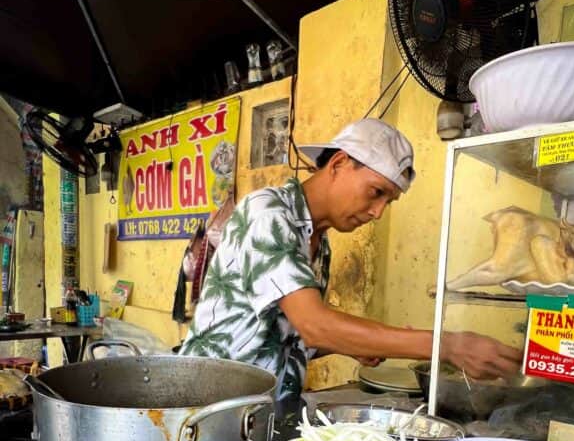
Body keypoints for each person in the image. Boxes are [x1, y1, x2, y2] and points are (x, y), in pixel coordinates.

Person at [180, 118, 521, 399]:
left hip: (261, 415)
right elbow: (315, 326)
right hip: (209, 411)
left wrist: (350, 345)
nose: (377, 213)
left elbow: (288, 337)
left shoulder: (317, 241)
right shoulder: (267, 213)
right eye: (376, 193)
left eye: (389, 202)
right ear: (340, 164)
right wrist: (447, 346)